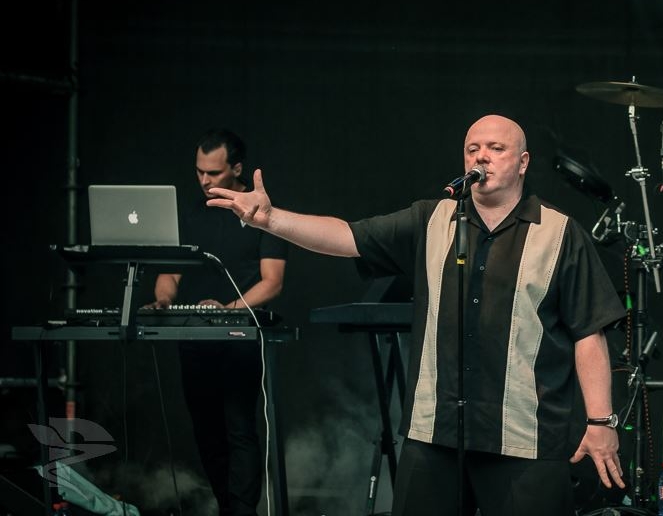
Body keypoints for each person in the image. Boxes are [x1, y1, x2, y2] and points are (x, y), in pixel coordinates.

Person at [207, 114, 627, 516]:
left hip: (524, 438)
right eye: (472, 149)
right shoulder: (432, 219)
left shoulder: (559, 233)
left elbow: (588, 332)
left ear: (522, 162)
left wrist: (600, 421)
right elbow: (347, 236)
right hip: (434, 435)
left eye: (496, 148)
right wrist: (272, 220)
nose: (481, 156)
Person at [149, 128, 289, 516]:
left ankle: (242, 511)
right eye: (199, 172)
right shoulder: (191, 214)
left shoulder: (261, 213)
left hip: (239, 337)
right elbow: (170, 272)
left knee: (239, 427)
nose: (204, 180)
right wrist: (164, 299)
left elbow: (272, 282)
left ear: (237, 169)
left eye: (213, 173)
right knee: (206, 430)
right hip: (194, 336)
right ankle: (229, 507)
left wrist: (229, 308)